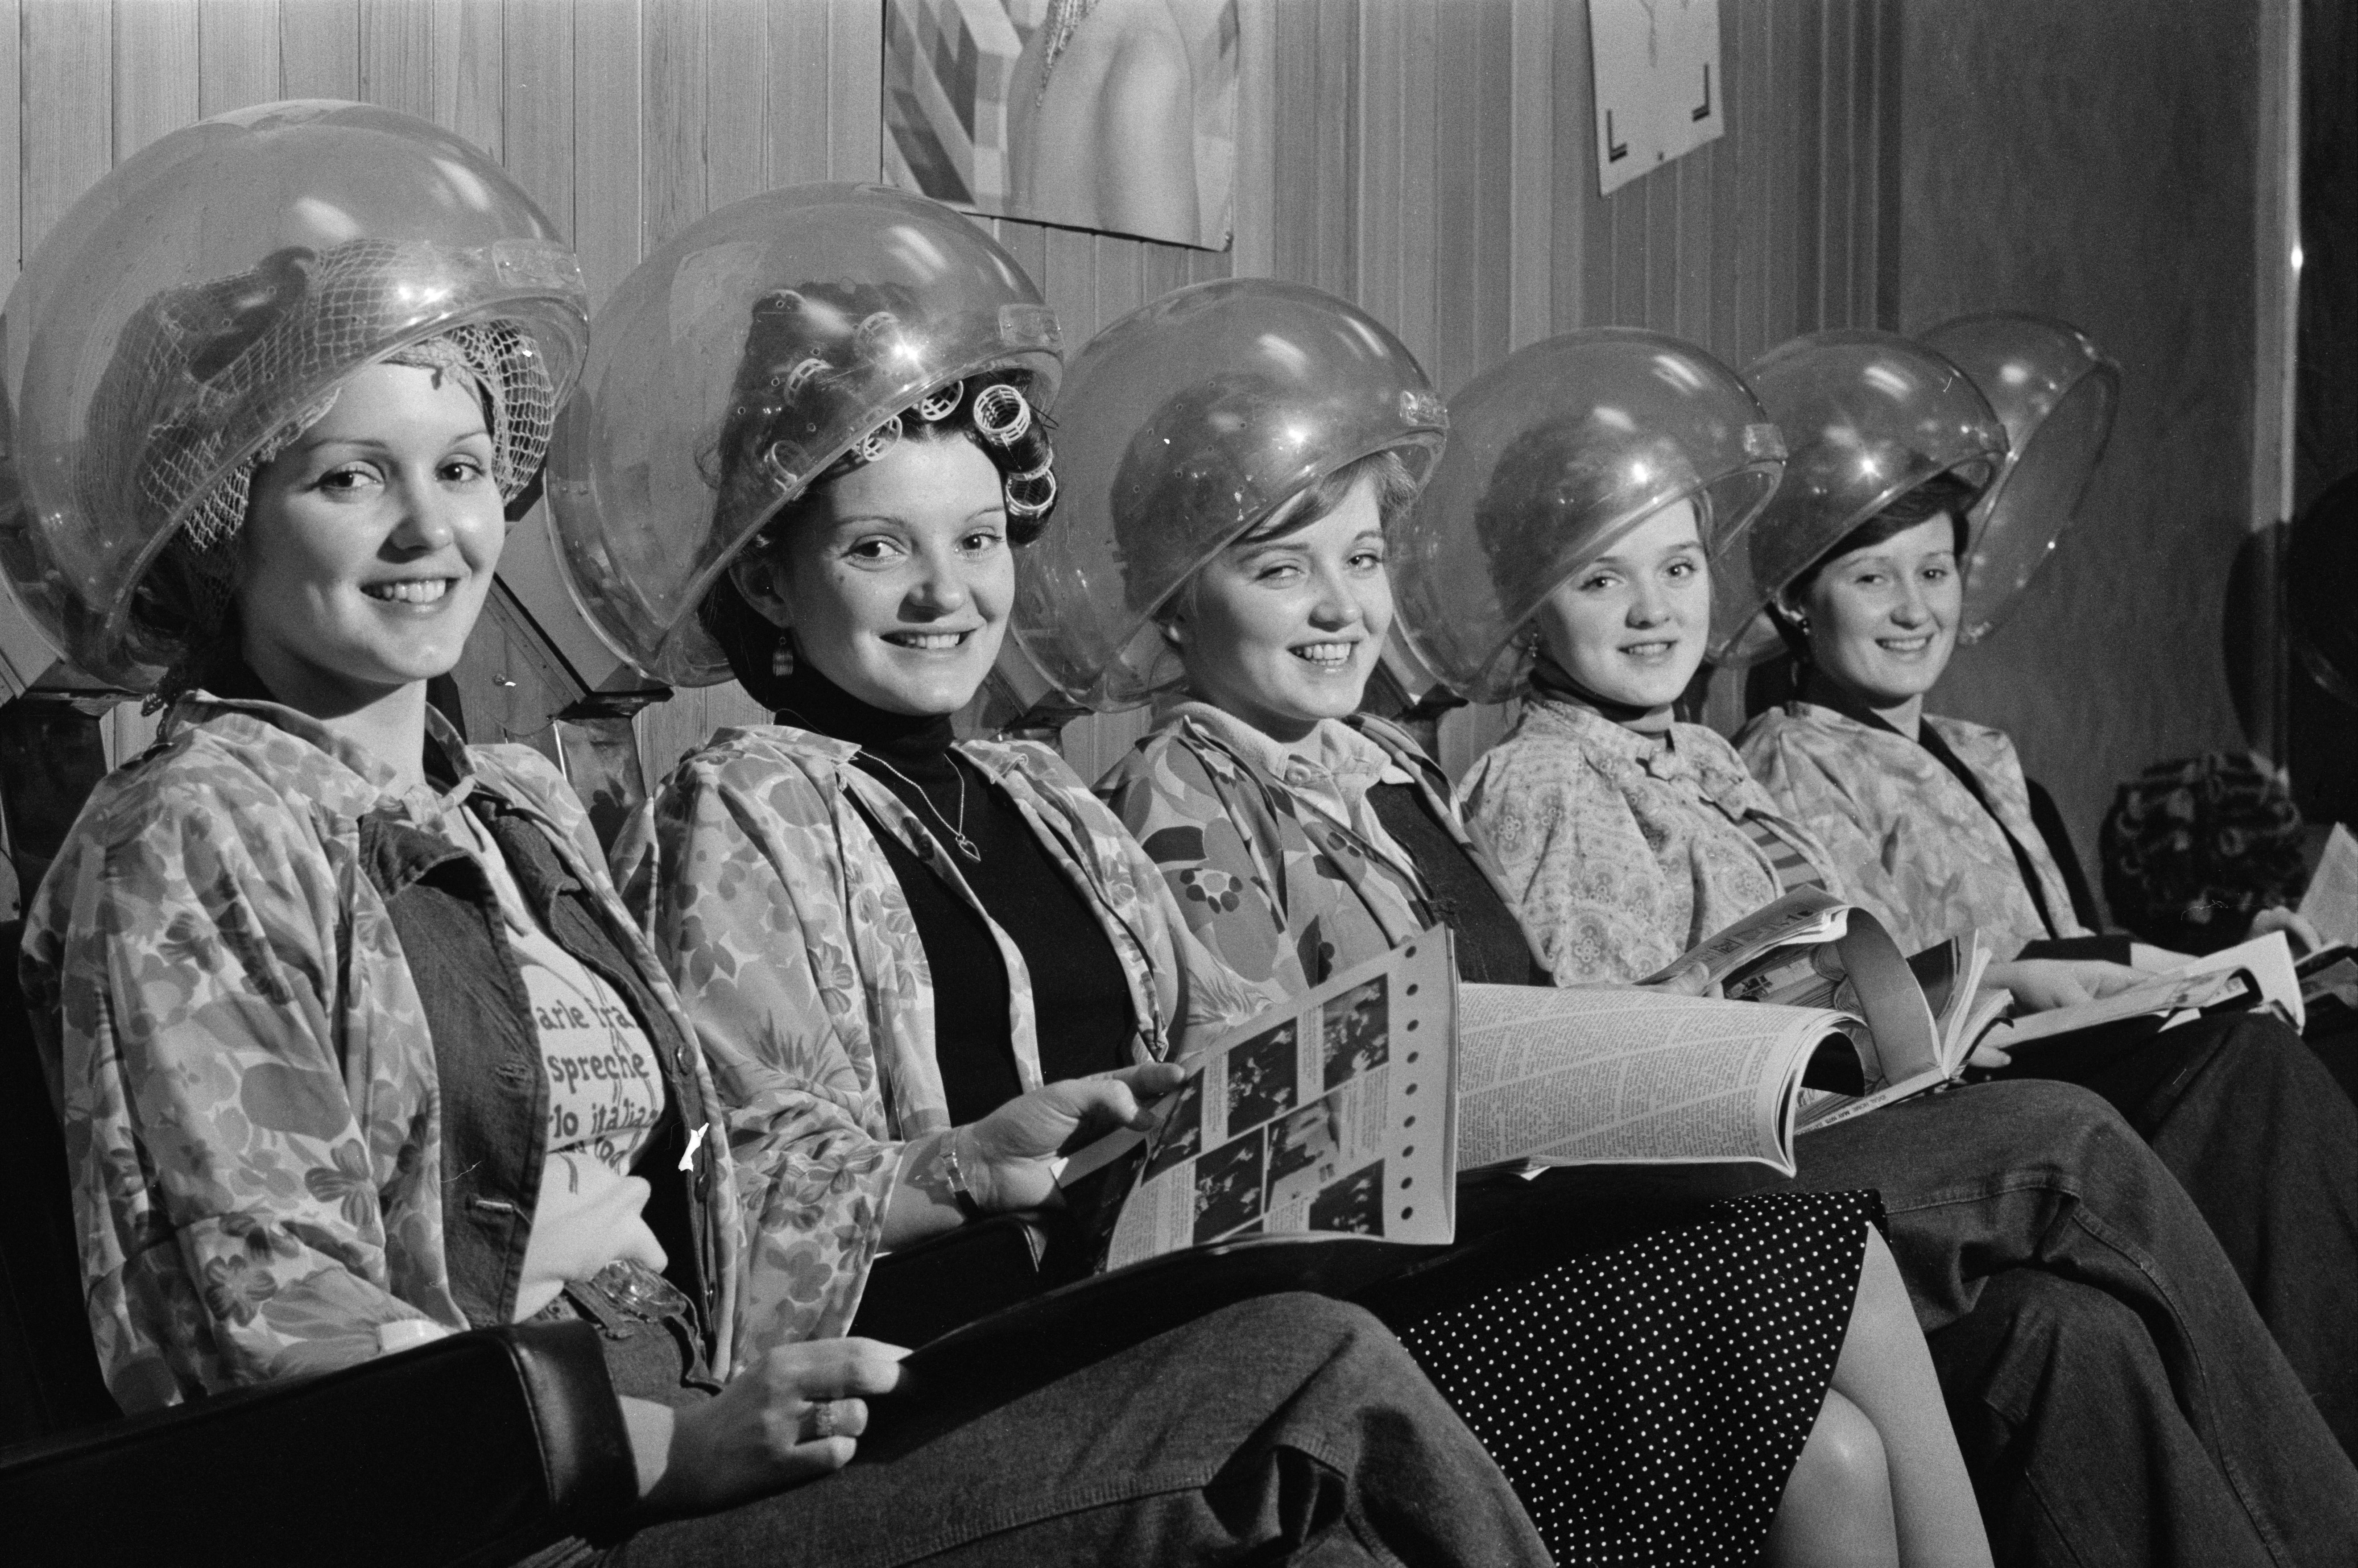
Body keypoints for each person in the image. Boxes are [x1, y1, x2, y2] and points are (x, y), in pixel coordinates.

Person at [12, 112, 1551, 1568]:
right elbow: (252, 1319)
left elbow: (690, 1181)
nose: (435, 531)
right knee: (1300, 1389)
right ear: (225, 513)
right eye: (352, 476)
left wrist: (954, 1172)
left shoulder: (513, 809)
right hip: (531, 1523)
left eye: (465, 468)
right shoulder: (193, 830)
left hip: (707, 1439)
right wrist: (651, 1436)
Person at [1026, 286, 1989, 1568]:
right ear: (1176, 597)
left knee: (1839, 1446)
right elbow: (1246, 1143)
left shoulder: (1386, 770)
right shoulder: (1178, 794)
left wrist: (1686, 1012)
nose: (1336, 609)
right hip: (1396, 1303)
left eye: (1361, 561)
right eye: (1279, 568)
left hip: (1511, 1232)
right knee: (1831, 1300)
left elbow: (1524, 1014)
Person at [1375, 327, 2358, 1564]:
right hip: (1740, 1182)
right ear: (1531, 602)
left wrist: (1960, 995)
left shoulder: (1707, 761)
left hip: (1863, 1118)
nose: (1651, 611)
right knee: (2072, 1138)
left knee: (2068, 1329)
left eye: (1677, 569)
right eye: (1598, 581)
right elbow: (1601, 1060)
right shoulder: (1543, 781)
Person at [1721, 327, 2358, 1453]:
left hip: (2104, 1045)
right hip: (1992, 1085)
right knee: (2257, 1066)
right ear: (1795, 608)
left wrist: (2220, 953)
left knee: (2329, 1013)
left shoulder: (1987, 749)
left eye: (1936, 571)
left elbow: (2071, 937)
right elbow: (1888, 994)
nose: (1915, 608)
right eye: (1873, 578)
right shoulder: (1786, 763)